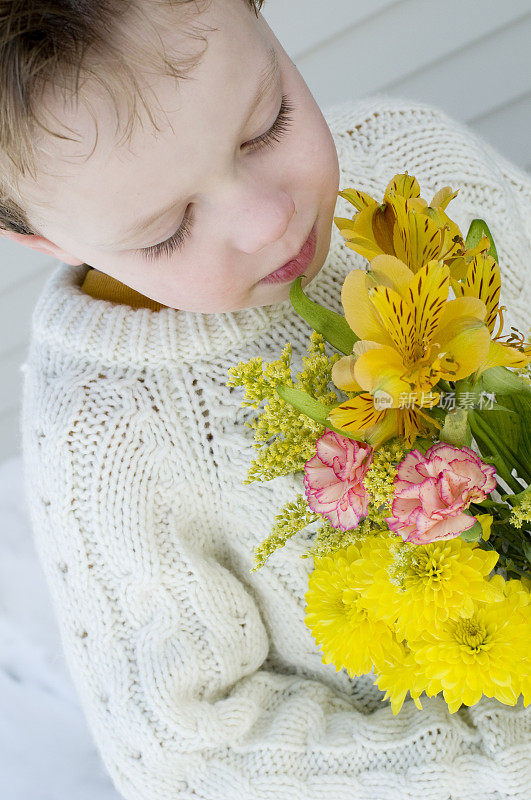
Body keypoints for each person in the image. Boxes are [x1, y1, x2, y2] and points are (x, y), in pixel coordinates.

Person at [2, 1, 529, 798]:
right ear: (48, 238)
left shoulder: (411, 156)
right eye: (167, 229)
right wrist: (506, 755)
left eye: (266, 124)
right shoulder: (102, 433)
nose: (269, 219)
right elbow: (186, 753)